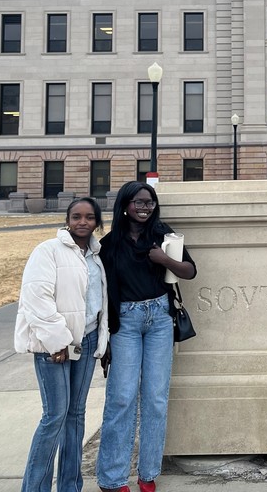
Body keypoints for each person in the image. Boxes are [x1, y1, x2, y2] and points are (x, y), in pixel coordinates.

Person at [96, 181, 197, 492]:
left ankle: (148, 474)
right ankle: (112, 479)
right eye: (138, 202)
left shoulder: (164, 235)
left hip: (159, 321)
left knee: (155, 398)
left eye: (149, 202)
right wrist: (107, 337)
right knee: (122, 397)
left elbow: (190, 270)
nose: (144, 207)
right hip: (124, 321)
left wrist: (164, 259)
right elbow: (102, 293)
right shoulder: (110, 244)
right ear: (126, 205)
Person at [14, 197, 109, 492]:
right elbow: (36, 299)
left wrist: (103, 342)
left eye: (89, 217)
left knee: (76, 416)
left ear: (97, 222)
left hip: (88, 339)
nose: (83, 222)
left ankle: (70, 486)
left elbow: (99, 302)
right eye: (76, 216)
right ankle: (35, 488)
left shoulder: (96, 256)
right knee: (54, 415)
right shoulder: (48, 251)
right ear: (67, 220)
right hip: (54, 346)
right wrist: (57, 341)